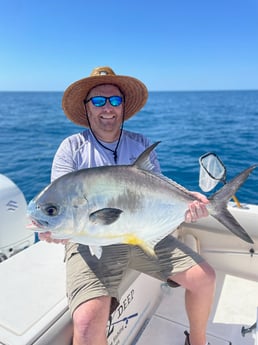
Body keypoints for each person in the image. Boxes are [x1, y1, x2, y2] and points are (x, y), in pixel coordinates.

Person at [39, 66, 215, 345]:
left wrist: (187, 202)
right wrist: (53, 227)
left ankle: (198, 341)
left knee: (204, 278)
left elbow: (157, 194)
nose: (107, 108)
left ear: (123, 107)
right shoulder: (71, 148)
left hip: (142, 233)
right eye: (98, 101)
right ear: (87, 108)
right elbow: (62, 206)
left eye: (114, 100)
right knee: (85, 321)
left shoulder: (140, 144)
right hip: (89, 240)